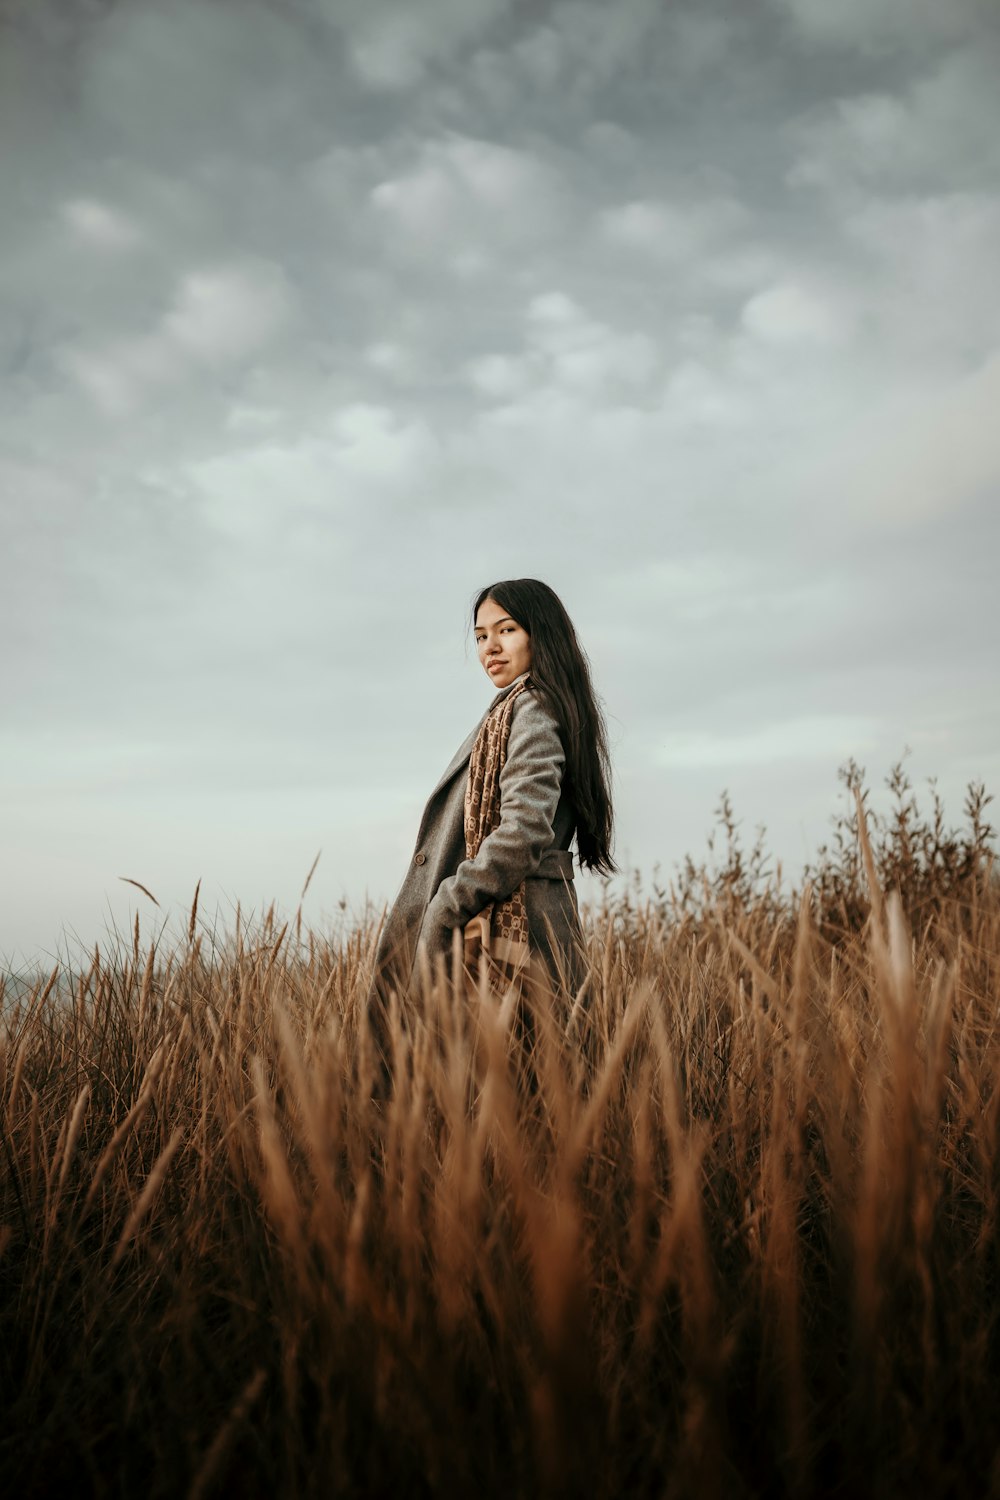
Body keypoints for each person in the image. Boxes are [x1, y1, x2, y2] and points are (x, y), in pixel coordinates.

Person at [368, 579, 616, 1061]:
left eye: (506, 630)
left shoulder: (533, 708)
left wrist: (448, 901)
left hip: (515, 927)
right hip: (515, 918)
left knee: (512, 1090)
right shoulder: (521, 707)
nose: (491, 647)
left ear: (540, 634)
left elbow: (523, 832)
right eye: (481, 636)